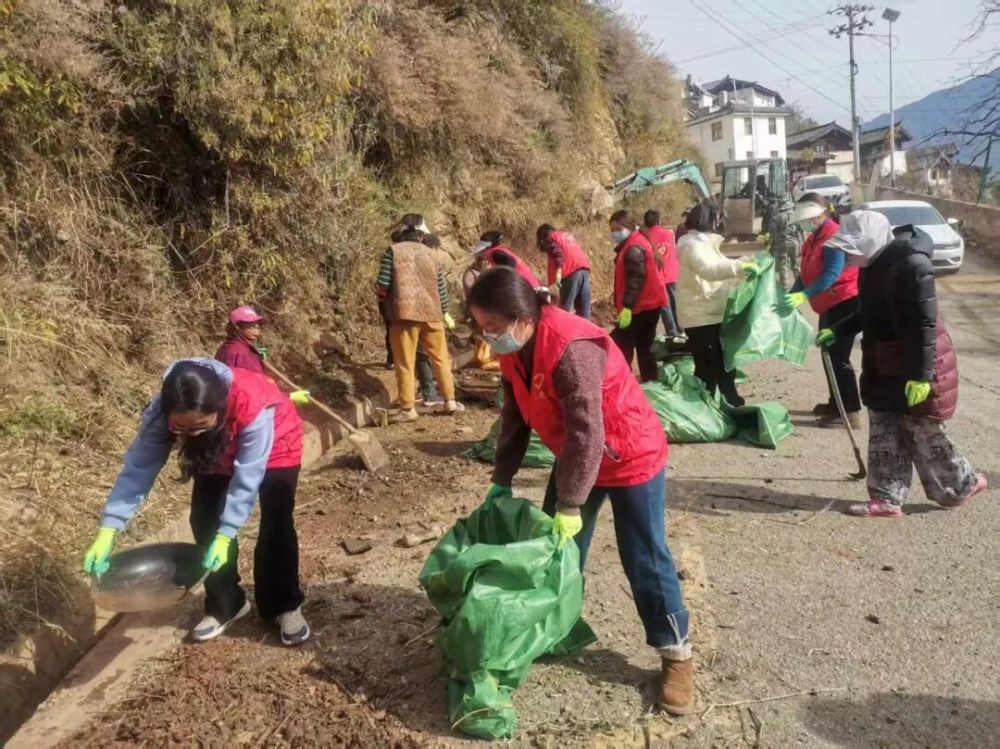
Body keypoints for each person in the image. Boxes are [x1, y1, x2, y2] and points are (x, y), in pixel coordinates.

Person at [467, 267, 696, 715]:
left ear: (523, 317)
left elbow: (588, 431)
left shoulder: (572, 347)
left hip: (628, 454)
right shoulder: (514, 349)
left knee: (645, 556)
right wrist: (501, 479)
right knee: (557, 550)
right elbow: (514, 415)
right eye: (482, 328)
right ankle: (558, 625)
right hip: (577, 455)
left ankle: (676, 654)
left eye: (493, 327)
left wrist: (570, 502)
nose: (489, 337)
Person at [82, 359, 310, 645]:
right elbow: (139, 468)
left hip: (276, 442)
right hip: (218, 446)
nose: (191, 435)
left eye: (201, 425)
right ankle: (227, 602)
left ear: (220, 408)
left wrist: (227, 533)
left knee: (276, 522)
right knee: (204, 519)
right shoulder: (162, 413)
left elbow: (248, 477)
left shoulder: (249, 402)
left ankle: (283, 604)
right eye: (181, 428)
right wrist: (109, 530)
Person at [815, 213, 987, 517]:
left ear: (871, 242)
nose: (847, 255)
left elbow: (924, 325)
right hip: (882, 358)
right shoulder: (871, 265)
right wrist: (839, 329)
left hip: (916, 358)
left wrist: (922, 376)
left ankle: (962, 484)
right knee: (884, 426)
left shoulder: (913, 265)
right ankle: (886, 498)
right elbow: (869, 311)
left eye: (852, 248)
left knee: (923, 427)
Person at [780, 193, 861, 429]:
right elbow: (806, 273)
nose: (806, 223)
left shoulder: (834, 237)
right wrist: (793, 294)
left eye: (808, 218)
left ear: (821, 215)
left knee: (839, 357)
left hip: (844, 302)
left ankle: (850, 412)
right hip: (828, 304)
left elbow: (832, 273)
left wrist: (804, 295)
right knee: (828, 354)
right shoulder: (814, 238)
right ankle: (836, 403)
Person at [375, 214, 461, 421]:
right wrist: (444, 312)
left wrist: (384, 301)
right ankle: (449, 400)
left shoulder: (392, 251)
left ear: (402, 232)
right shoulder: (433, 254)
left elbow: (382, 285)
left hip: (404, 315)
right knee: (441, 359)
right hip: (433, 315)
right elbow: (441, 290)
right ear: (422, 235)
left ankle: (408, 409)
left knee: (405, 363)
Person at [675, 202, 757, 405]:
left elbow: (719, 267)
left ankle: (728, 400)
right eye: (717, 218)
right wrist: (739, 265)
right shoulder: (692, 246)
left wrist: (742, 266)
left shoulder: (705, 245)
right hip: (700, 316)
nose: (720, 223)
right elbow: (709, 271)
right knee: (708, 366)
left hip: (711, 311)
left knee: (722, 362)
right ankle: (708, 405)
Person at [608, 210, 669, 383]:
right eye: (612, 230)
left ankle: (623, 383)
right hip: (649, 305)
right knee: (644, 347)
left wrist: (627, 307)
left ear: (628, 227)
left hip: (640, 307)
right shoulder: (638, 241)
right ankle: (650, 381)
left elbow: (636, 279)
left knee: (621, 345)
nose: (614, 233)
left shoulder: (633, 248)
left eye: (618, 229)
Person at [642, 210, 684, 342]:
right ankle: (681, 329)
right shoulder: (669, 234)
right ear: (659, 221)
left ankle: (672, 332)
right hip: (672, 272)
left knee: (664, 304)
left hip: (657, 275)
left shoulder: (644, 236)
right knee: (675, 301)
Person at [537, 224, 592, 319]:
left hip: (571, 272)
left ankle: (560, 327)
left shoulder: (550, 238)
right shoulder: (565, 236)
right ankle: (586, 328)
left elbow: (558, 254)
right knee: (584, 310)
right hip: (584, 270)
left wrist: (558, 273)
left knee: (564, 308)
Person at [474, 231, 543, 288]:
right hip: (529, 282)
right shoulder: (500, 250)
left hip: (526, 284)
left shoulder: (495, 253)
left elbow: (511, 262)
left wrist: (504, 279)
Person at [215, 305, 267, 375]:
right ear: (238, 328)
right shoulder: (239, 351)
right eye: (251, 327)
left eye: (257, 327)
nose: (256, 332)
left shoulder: (228, 346)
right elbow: (252, 378)